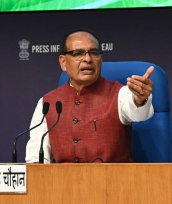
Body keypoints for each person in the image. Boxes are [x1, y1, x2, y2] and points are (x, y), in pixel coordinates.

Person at [25, 29, 154, 163]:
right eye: (78, 53)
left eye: (94, 53)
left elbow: (138, 113)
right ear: (63, 62)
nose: (88, 59)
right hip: (63, 182)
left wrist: (140, 99)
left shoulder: (120, 94)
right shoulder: (47, 103)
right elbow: (36, 159)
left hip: (113, 182)